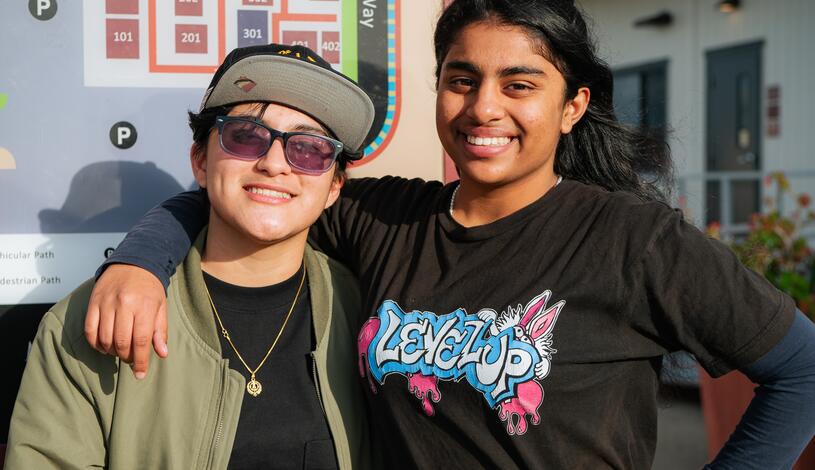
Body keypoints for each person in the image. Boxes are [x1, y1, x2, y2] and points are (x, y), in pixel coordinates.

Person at [83, 0, 815, 468]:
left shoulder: (632, 239)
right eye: (461, 79)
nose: (482, 108)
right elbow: (252, 192)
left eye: (519, 85)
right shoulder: (385, 219)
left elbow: (801, 370)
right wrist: (141, 264)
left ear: (572, 106)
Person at [5, 43, 375, 469]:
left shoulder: (370, 317)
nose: (275, 163)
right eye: (246, 136)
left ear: (334, 187)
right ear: (200, 161)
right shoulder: (91, 321)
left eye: (311, 148)